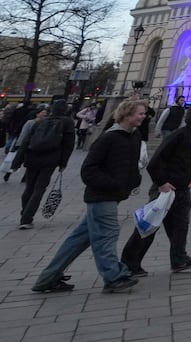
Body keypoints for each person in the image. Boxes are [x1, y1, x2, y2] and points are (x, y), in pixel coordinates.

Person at [30, 98, 148, 294]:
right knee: (107, 236)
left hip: (116, 195)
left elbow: (131, 163)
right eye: (141, 113)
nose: (144, 117)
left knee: (78, 239)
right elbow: (88, 171)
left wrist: (133, 180)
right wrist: (113, 184)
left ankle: (47, 279)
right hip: (102, 196)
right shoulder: (108, 138)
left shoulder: (133, 136)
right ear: (127, 115)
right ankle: (113, 277)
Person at [119, 101, 191, 277]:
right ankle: (129, 262)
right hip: (165, 188)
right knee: (149, 225)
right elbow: (155, 162)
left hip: (183, 188)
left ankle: (179, 258)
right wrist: (162, 183)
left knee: (180, 225)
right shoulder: (179, 135)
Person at [16, 101, 74, 228]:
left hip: (32, 157)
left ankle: (24, 213)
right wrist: (63, 163)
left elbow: (26, 141)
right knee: (39, 188)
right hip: (50, 159)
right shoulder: (67, 122)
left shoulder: (41, 121)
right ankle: (27, 218)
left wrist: (17, 161)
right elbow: (68, 145)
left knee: (29, 188)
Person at [5, 107, 46, 184]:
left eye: (45, 113)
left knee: (31, 162)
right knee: (18, 160)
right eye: (42, 112)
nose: (44, 114)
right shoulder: (30, 122)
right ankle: (9, 172)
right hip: (24, 144)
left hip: (34, 146)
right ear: (37, 114)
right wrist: (19, 144)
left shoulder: (44, 123)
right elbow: (23, 133)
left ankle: (25, 177)